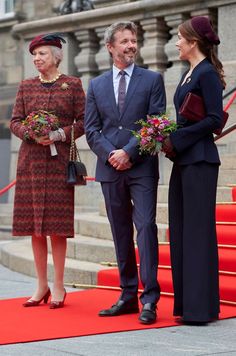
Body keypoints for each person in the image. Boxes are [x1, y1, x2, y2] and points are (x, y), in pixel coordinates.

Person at [85, 21, 166, 324]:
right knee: (121, 233)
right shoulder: (95, 85)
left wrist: (129, 152)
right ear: (110, 47)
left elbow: (155, 122)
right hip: (110, 170)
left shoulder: (152, 80)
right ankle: (128, 295)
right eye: (125, 41)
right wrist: (111, 155)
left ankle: (150, 300)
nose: (132, 45)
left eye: (134, 40)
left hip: (142, 167)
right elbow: (92, 130)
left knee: (145, 228)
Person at [10, 33, 85, 308]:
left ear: (56, 56)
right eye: (34, 54)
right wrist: (30, 133)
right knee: (35, 228)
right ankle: (41, 284)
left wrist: (59, 134)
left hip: (58, 163)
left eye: (42, 54)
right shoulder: (25, 86)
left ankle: (59, 284)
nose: (36, 59)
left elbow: (84, 121)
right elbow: (14, 121)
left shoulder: (72, 84)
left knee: (57, 227)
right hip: (30, 162)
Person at [162, 16, 226, 324]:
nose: (176, 43)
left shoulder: (207, 74)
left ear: (193, 42)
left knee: (198, 233)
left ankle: (201, 309)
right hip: (185, 159)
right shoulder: (189, 73)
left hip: (200, 160)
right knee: (182, 231)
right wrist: (166, 135)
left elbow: (215, 119)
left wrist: (178, 137)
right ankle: (188, 305)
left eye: (179, 38)